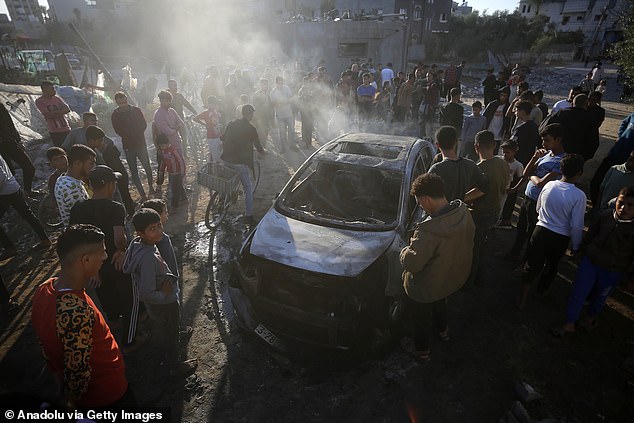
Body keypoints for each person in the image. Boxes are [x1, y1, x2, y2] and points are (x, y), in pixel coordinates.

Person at [31, 224, 133, 409]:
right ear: (85, 260)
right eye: (101, 252)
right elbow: (78, 374)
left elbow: (45, 344)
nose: (105, 257)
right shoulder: (75, 312)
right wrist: (71, 402)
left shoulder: (45, 288)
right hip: (107, 395)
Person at [69, 166, 148, 353]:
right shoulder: (114, 208)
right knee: (130, 298)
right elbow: (119, 238)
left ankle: (113, 319)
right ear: (110, 185)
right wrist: (122, 251)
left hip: (92, 264)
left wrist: (89, 267)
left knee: (105, 292)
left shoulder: (78, 208)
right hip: (115, 260)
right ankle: (130, 340)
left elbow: (76, 238)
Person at [399, 173, 475, 361]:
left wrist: (403, 251)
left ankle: (422, 351)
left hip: (428, 286)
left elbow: (413, 264)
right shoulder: (463, 212)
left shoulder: (428, 230)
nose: (421, 206)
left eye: (420, 202)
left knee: (421, 317)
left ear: (425, 199)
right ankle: (443, 331)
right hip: (450, 278)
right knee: (440, 301)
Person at [123, 209, 197, 376]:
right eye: (152, 229)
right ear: (141, 233)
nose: (159, 231)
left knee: (169, 326)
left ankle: (177, 332)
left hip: (159, 302)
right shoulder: (148, 256)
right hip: (164, 302)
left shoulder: (137, 243)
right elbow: (146, 293)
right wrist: (164, 294)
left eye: (159, 225)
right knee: (170, 333)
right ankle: (174, 365)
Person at [554, 186, 634, 336]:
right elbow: (591, 235)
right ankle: (570, 323)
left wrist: (631, 278)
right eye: (621, 202)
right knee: (578, 292)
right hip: (590, 263)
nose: (623, 208)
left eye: (630, 205)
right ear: (616, 200)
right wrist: (581, 250)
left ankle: (590, 319)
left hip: (612, 271)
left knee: (599, 298)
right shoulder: (604, 216)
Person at [518, 154, 586, 309]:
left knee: (532, 264)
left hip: (540, 230)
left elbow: (538, 207)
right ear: (579, 173)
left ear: (561, 169)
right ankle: (541, 292)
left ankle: (522, 299)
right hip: (559, 237)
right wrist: (575, 247)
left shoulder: (550, 185)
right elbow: (576, 225)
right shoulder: (579, 196)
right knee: (551, 266)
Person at [499, 124, 566, 260]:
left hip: (539, 202)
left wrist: (531, 176)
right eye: (542, 140)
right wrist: (534, 158)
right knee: (521, 228)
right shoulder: (545, 154)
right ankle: (514, 253)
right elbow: (525, 172)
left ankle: (526, 263)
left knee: (532, 234)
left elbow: (541, 183)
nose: (543, 143)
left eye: (547, 140)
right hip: (528, 198)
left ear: (558, 140)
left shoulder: (562, 161)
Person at [466, 131, 509, 286]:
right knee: (483, 248)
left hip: (480, 214)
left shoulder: (479, 169)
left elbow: (478, 191)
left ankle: (469, 281)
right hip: (495, 212)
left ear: (476, 146)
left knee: (474, 250)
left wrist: (460, 198)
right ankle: (480, 278)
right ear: (494, 145)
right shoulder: (503, 163)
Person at [220, 105, 265, 224]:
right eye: (252, 114)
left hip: (226, 158)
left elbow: (223, 138)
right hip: (239, 162)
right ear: (249, 115)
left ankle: (229, 195)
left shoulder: (231, 123)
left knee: (231, 179)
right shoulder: (251, 128)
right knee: (248, 188)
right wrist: (262, 152)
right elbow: (258, 145)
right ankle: (249, 215)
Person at [0, 154, 51, 260]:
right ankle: (44, 239)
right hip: (13, 187)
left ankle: (9, 248)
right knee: (27, 214)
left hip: (4, 192)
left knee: (27, 214)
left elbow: (1, 176)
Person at [85, 126, 136, 217]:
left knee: (123, 196)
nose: (102, 142)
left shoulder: (102, 150)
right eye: (100, 140)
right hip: (104, 183)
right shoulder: (89, 154)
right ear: (91, 140)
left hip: (114, 178)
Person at [112, 92, 154, 201]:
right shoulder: (115, 115)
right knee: (134, 171)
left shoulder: (136, 110)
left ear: (126, 99)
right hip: (128, 146)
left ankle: (151, 187)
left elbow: (144, 124)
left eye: (123, 100)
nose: (122, 103)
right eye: (119, 101)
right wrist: (128, 134)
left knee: (147, 167)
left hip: (140, 143)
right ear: (117, 102)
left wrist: (136, 133)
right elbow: (117, 130)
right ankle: (142, 194)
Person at [428, 126, 488, 202]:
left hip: (442, 212)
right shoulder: (470, 165)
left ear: (437, 145)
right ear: (456, 142)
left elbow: (424, 195)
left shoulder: (436, 169)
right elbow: (485, 187)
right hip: (459, 211)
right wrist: (462, 199)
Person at [590, 112, 634, 205]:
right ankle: (596, 207)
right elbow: (624, 123)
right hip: (614, 155)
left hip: (629, 165)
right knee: (596, 182)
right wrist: (620, 136)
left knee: (618, 191)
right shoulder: (633, 116)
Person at [540, 94, 597, 161]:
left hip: (556, 154)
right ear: (587, 105)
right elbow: (593, 142)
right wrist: (584, 158)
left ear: (572, 103)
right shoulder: (590, 119)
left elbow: (543, 129)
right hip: (576, 158)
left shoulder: (561, 113)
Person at [0, 103, 38, 195]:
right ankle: (11, 198)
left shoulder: (0, 107)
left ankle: (27, 191)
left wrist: (18, 140)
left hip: (9, 142)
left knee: (29, 167)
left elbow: (10, 124)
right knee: (8, 173)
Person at [55, 145, 96, 228]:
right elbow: (84, 219)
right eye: (91, 163)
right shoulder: (70, 187)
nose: (94, 167)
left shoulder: (66, 179)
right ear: (77, 163)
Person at [35, 81, 71, 148]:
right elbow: (48, 115)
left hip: (66, 128)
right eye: (51, 89)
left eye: (53, 88)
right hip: (55, 131)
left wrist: (55, 112)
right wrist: (61, 111)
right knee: (61, 149)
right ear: (45, 90)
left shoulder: (57, 98)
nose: (54, 90)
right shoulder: (40, 101)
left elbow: (67, 109)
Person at [155, 134, 187, 209]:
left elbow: (181, 161)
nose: (161, 147)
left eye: (162, 145)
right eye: (160, 146)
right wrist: (161, 171)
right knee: (177, 187)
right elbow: (163, 162)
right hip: (171, 173)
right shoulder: (163, 152)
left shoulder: (173, 150)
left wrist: (183, 172)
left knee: (175, 190)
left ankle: (174, 206)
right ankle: (184, 198)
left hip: (178, 173)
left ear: (167, 143)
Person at [498, 140, 524, 228]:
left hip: (506, 189)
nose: (505, 155)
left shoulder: (518, 165)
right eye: (503, 152)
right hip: (495, 187)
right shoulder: (498, 160)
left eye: (507, 152)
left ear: (514, 152)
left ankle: (503, 220)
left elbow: (521, 179)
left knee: (503, 206)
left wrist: (514, 189)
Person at [509, 101, 540, 166]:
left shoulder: (520, 129)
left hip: (518, 160)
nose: (515, 113)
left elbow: (511, 144)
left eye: (516, 110)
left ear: (522, 112)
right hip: (529, 159)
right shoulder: (535, 127)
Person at [270, 76, 296, 152]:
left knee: (291, 130)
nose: (280, 83)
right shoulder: (273, 92)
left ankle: (291, 145)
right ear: (276, 83)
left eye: (282, 82)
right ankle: (283, 148)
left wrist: (282, 102)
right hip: (280, 115)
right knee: (281, 132)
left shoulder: (286, 88)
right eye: (279, 82)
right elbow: (274, 104)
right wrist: (284, 102)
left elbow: (291, 98)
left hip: (288, 113)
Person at [194, 96, 223, 162]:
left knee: (218, 153)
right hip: (211, 137)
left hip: (218, 135)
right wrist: (204, 124)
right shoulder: (206, 113)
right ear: (209, 104)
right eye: (214, 104)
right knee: (214, 154)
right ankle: (214, 169)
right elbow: (195, 118)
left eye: (216, 104)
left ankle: (213, 168)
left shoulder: (216, 112)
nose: (215, 105)